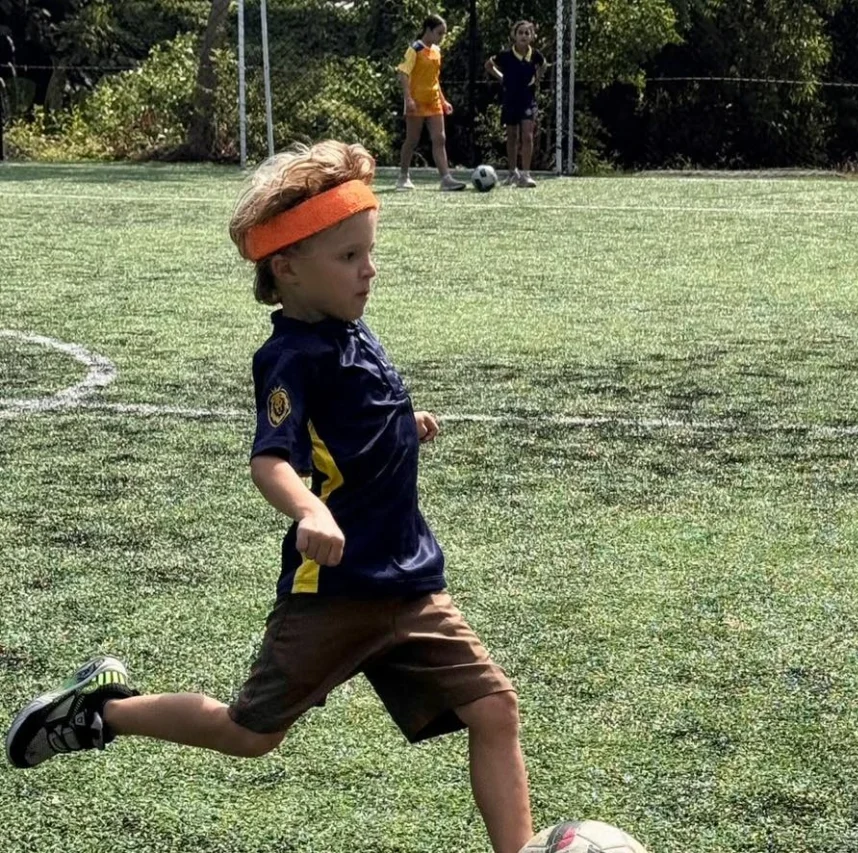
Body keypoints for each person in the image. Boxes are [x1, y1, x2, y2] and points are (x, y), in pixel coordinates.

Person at [5, 140, 533, 853]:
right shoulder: (288, 357)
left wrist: (403, 425)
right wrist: (311, 509)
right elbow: (272, 460)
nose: (368, 269)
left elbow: (347, 421)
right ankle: (105, 709)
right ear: (286, 267)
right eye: (348, 257)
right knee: (249, 733)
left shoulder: (349, 327)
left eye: (368, 252)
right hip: (335, 592)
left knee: (495, 707)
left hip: (410, 582)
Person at [396, 14, 465, 192]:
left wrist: (443, 100)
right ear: (428, 30)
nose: (442, 37)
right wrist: (408, 98)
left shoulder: (436, 51)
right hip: (416, 101)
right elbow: (403, 73)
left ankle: (446, 178)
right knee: (412, 140)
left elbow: (434, 78)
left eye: (444, 34)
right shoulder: (415, 49)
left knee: (440, 138)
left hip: (433, 100)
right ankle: (403, 176)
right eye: (439, 33)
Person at [485, 21, 547, 188]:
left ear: (532, 36)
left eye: (527, 33)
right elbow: (489, 65)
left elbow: (544, 65)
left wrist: (537, 78)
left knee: (527, 135)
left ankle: (526, 175)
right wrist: (502, 78)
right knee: (512, 136)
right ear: (514, 35)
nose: (523, 36)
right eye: (520, 32)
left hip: (527, 100)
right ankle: (513, 173)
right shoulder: (505, 55)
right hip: (510, 100)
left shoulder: (535, 55)